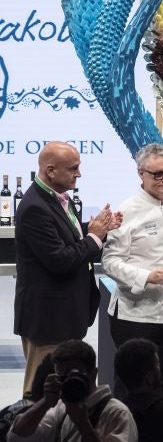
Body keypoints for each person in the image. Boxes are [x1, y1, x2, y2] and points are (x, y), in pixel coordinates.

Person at [13, 141, 122, 398]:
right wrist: (94, 238)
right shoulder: (34, 208)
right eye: (74, 169)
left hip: (64, 314)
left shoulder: (56, 196)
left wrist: (96, 229)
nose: (79, 174)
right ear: (51, 171)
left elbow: (66, 237)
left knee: (62, 390)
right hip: (48, 320)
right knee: (40, 391)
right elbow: (60, 260)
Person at [102, 144, 163, 395]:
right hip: (134, 314)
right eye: (157, 174)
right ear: (141, 174)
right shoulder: (126, 211)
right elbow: (110, 262)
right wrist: (145, 276)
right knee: (133, 385)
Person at [9, 340, 137, 442]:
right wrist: (46, 402)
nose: (69, 381)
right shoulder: (62, 408)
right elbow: (17, 436)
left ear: (93, 374)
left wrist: (83, 424)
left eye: (74, 374)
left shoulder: (117, 412)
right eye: (62, 377)